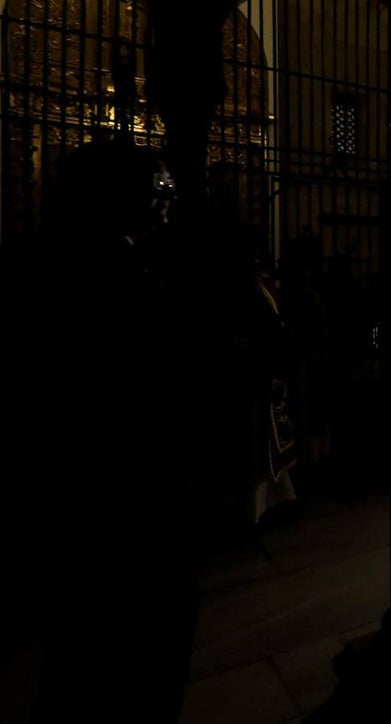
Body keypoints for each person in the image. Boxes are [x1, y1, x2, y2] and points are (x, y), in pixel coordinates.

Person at [1, 139, 197, 721]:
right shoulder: (103, 273)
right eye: (158, 188)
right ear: (113, 195)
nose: (169, 200)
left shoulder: (43, 261)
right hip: (113, 504)